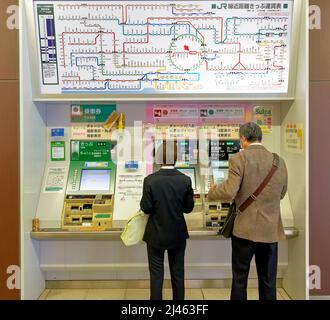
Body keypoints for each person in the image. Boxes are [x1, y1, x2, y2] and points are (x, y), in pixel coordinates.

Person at [208, 122, 288, 300]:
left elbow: (229, 191)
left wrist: (212, 191)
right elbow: (282, 193)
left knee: (240, 279)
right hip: (270, 231)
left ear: (243, 139)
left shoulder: (239, 159)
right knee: (268, 280)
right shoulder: (278, 161)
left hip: (244, 231)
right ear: (261, 137)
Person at [140, 140, 195, 300]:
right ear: (176, 158)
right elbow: (188, 208)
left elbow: (146, 208)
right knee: (178, 273)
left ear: (158, 158)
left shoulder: (150, 180)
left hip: (155, 235)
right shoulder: (185, 180)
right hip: (178, 235)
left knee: (156, 275)